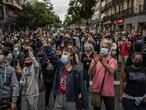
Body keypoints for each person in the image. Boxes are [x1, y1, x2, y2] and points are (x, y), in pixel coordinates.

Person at [42, 37, 89, 110]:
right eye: (62, 54)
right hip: (59, 97)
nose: (63, 56)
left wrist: (86, 107)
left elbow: (83, 90)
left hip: (71, 100)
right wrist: (44, 43)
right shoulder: (59, 66)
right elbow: (51, 56)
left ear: (71, 57)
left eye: (65, 54)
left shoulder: (77, 71)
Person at [89, 38, 118, 110]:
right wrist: (95, 63)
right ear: (100, 47)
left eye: (106, 47)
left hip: (108, 91)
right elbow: (90, 73)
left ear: (109, 49)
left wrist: (102, 61)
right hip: (96, 90)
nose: (104, 48)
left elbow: (112, 71)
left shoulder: (112, 60)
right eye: (102, 47)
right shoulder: (94, 60)